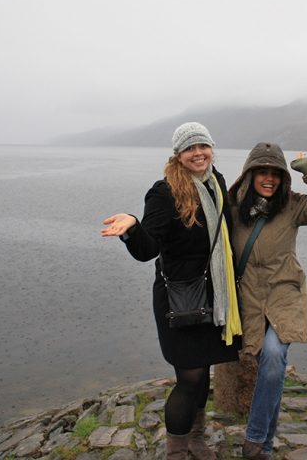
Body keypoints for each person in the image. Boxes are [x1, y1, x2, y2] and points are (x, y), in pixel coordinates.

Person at [101, 122, 242, 460]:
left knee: (203, 371)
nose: (198, 153)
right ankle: (176, 451)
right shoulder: (164, 192)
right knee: (189, 377)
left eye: (203, 146)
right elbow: (147, 248)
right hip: (179, 299)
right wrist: (132, 227)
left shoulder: (216, 183)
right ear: (178, 155)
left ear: (211, 148)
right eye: (190, 148)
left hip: (213, 297)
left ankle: (196, 439)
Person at [228, 142, 307, 460]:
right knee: (269, 368)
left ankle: (253, 438)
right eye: (261, 172)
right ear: (249, 175)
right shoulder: (233, 208)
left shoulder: (293, 206)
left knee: (274, 357)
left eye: (275, 173)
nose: (268, 179)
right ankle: (264, 448)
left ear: (283, 177)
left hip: (284, 297)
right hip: (249, 302)